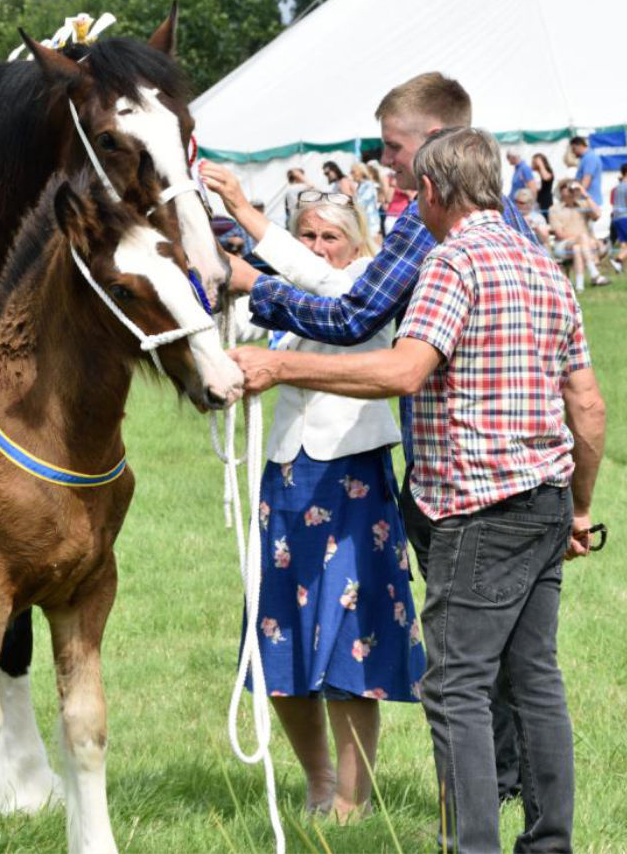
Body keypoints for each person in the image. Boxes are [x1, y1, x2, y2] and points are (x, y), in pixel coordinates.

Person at [227, 127, 606, 853]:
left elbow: (404, 370)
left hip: (474, 507)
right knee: (535, 681)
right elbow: (585, 403)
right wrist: (581, 505)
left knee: (457, 687)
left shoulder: (449, 262)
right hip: (547, 499)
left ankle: (472, 846)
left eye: (412, 192)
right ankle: (550, 842)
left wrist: (281, 369)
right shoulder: (545, 267)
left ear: (431, 192)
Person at [201, 71, 539, 806]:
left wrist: (251, 281)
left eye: (392, 147)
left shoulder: (428, 223)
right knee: (511, 655)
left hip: (460, 471)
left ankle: (485, 797)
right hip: (510, 470)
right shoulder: (514, 229)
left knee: (464, 656)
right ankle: (509, 791)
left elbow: (353, 307)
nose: (386, 162)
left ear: (433, 143)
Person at [212, 185, 426, 822]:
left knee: (351, 644)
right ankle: (318, 780)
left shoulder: (365, 283)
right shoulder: (288, 298)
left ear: (358, 244)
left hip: (354, 476)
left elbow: (324, 294)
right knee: (275, 636)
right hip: (285, 476)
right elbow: (231, 326)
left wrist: (247, 221)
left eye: (330, 236)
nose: (316, 247)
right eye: (306, 236)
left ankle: (352, 804)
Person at [550, 179, 609, 291]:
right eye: (567, 188)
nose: (571, 191)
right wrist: (580, 238)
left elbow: (597, 215)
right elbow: (559, 234)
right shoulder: (554, 209)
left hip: (582, 245)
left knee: (577, 248)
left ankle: (579, 286)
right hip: (563, 245)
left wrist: (585, 194)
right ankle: (594, 274)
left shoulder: (583, 205)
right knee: (582, 239)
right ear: (561, 191)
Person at [350, 162, 381, 246]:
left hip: (370, 224)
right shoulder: (359, 186)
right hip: (362, 224)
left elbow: (361, 203)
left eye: (353, 172)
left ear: (360, 172)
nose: (351, 174)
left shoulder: (368, 185)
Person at [569, 135, 604, 211]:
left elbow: (586, 179)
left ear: (579, 146)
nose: (572, 152)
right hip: (587, 201)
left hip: (590, 202)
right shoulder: (585, 158)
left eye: (573, 149)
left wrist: (577, 198)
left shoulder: (590, 158)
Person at [532, 152, 556, 218]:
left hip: (546, 202)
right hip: (536, 202)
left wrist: (541, 165)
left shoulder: (548, 171)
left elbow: (545, 178)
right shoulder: (532, 173)